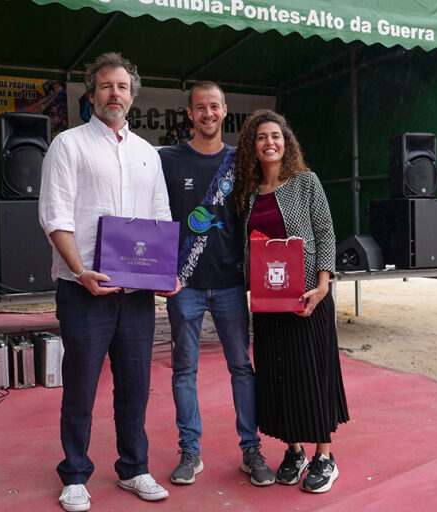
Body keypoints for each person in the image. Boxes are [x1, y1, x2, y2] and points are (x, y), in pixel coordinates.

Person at [38, 52, 177, 512]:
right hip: (83, 289)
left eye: (121, 86)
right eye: (105, 86)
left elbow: (160, 216)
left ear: (132, 96)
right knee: (80, 384)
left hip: (136, 294)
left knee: (135, 384)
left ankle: (134, 468)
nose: (113, 93)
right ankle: (75, 475)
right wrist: (80, 270)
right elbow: (54, 215)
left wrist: (164, 272)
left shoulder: (147, 154)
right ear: (92, 95)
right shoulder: (68, 145)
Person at [159, 81, 274, 487]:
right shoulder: (166, 160)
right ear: (189, 114)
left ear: (226, 112)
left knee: (242, 367)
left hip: (230, 284)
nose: (208, 114)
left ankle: (251, 448)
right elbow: (154, 217)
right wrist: (156, 270)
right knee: (184, 370)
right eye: (200, 108)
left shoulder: (241, 161)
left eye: (215, 107)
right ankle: (191, 451)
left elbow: (266, 206)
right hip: (183, 285)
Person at [233, 109, 349, 494]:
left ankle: (324, 456)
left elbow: (326, 235)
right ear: (253, 146)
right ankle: (294, 450)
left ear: (286, 143)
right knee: (279, 376)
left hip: (307, 300)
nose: (270, 143)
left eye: (276, 136)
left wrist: (323, 286)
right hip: (268, 304)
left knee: (311, 375)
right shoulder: (249, 194)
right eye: (262, 137)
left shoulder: (306, 182)